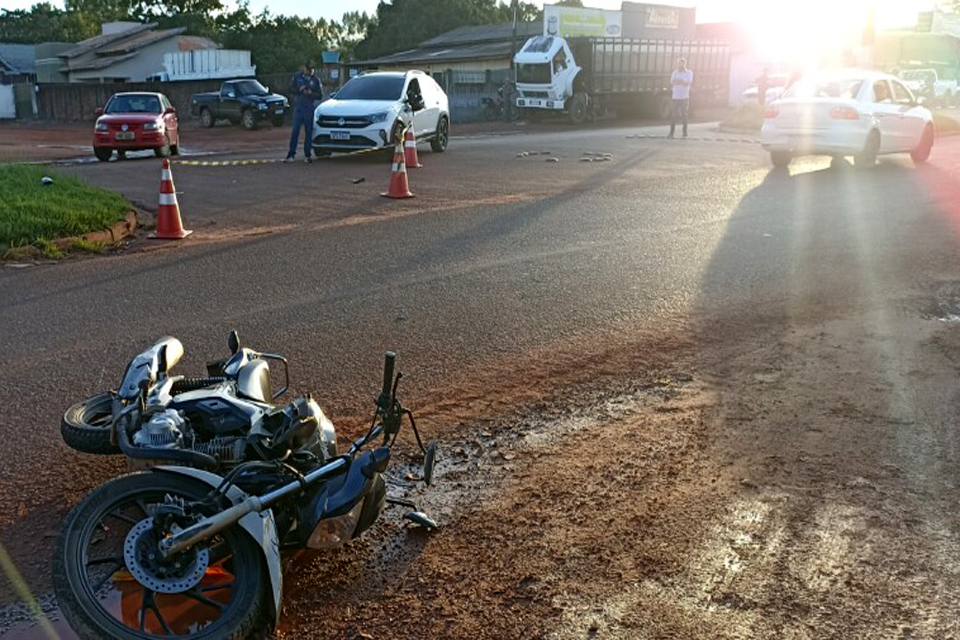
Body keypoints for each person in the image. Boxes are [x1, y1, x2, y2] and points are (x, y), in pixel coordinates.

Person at [285, 61, 323, 163]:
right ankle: (291, 154)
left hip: (309, 108)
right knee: (295, 131)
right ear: (304, 68)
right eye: (308, 69)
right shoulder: (297, 77)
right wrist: (299, 90)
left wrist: (311, 93)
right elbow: (290, 88)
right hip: (298, 107)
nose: (310, 71)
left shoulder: (316, 80)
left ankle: (307, 155)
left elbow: (320, 95)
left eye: (312, 70)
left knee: (308, 132)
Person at [668, 58, 693, 139]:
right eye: (679, 63)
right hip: (675, 97)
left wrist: (679, 81)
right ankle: (671, 133)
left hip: (684, 97)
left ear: (685, 64)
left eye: (682, 64)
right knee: (673, 115)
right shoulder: (674, 72)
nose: (680, 65)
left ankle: (684, 133)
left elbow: (688, 83)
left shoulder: (689, 72)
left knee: (684, 115)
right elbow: (672, 82)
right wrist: (682, 81)